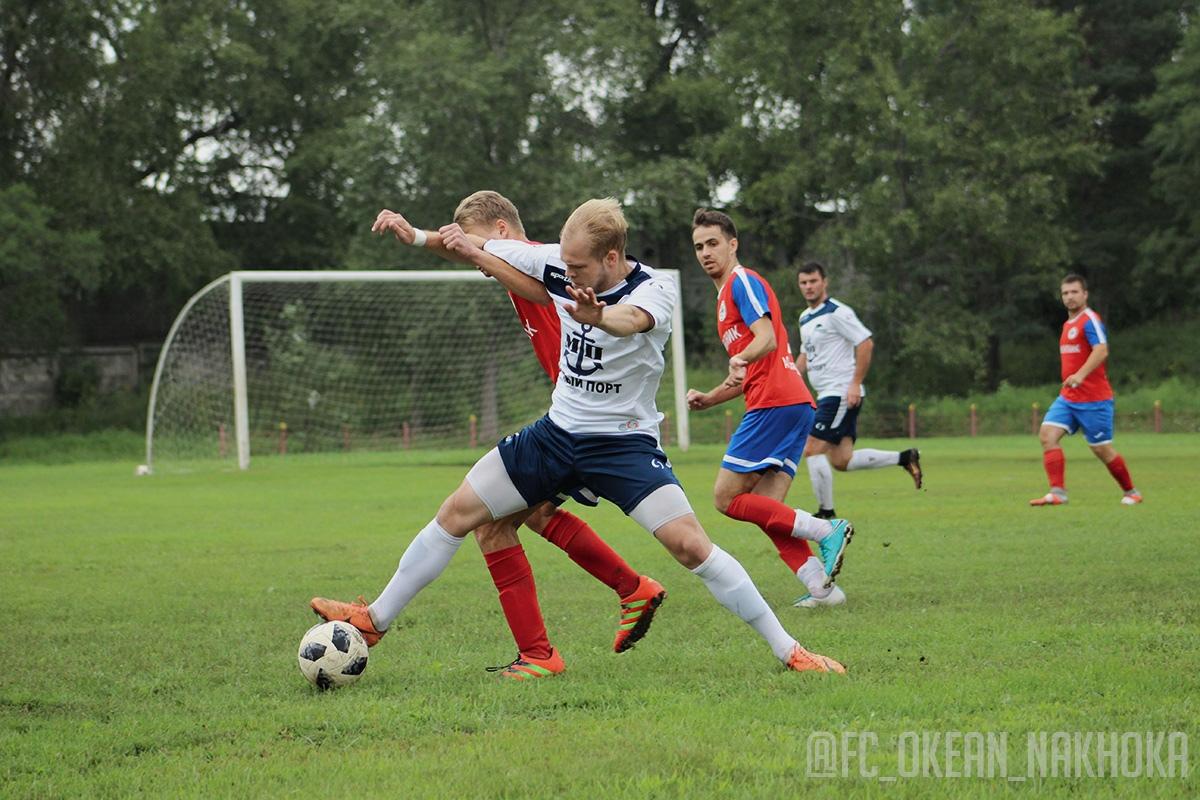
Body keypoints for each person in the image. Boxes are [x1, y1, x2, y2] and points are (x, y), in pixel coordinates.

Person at [313, 198, 846, 675]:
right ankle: (376, 619)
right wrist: (419, 237)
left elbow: (632, 320)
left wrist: (600, 315)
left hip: (624, 445)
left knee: (690, 546)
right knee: (458, 514)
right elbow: (485, 245)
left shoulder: (654, 289)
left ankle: (790, 650)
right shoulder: (559, 262)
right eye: (562, 263)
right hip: (557, 434)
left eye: (577, 267)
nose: (564, 273)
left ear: (611, 258)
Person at [356, 191, 667, 680]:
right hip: (572, 424)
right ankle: (627, 592)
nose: (475, 260)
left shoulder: (560, 269)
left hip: (593, 431)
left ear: (502, 232)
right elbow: (459, 246)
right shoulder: (515, 266)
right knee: (527, 517)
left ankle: (562, 638)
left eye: (479, 246)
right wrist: (415, 235)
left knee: (493, 523)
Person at [685, 210, 852, 609]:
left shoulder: (742, 280)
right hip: (789, 403)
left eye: (713, 243)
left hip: (775, 404)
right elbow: (748, 368)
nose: (706, 253)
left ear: (732, 244)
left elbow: (765, 341)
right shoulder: (723, 297)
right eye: (698, 247)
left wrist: (740, 356)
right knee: (768, 510)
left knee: (725, 499)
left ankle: (826, 529)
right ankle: (823, 590)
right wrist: (710, 397)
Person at [796, 261, 922, 521]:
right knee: (841, 460)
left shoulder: (837, 312)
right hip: (826, 394)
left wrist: (854, 383)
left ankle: (826, 514)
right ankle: (905, 457)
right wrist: (788, 379)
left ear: (825, 282)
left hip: (840, 391)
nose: (808, 287)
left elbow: (865, 343)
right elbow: (805, 356)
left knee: (811, 447)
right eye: (804, 282)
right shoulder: (805, 318)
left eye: (813, 281)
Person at [1029, 274, 1142, 507]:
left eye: (1074, 292)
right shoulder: (1067, 324)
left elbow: (1101, 350)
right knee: (1047, 436)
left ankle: (1131, 491)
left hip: (1094, 399)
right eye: (1065, 293)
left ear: (1085, 294)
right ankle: (1057, 493)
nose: (1069, 297)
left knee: (1101, 449)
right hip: (1068, 398)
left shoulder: (1090, 319)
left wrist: (1080, 375)